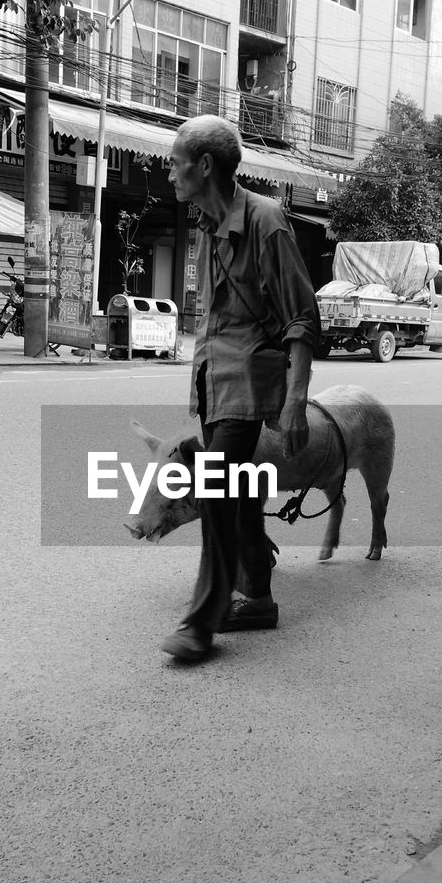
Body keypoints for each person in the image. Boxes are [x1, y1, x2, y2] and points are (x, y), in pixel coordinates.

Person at [160, 115, 320, 663]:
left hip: (250, 384)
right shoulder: (207, 227)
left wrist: (295, 402)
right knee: (240, 493)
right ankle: (260, 596)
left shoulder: (267, 221)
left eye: (176, 163)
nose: (170, 173)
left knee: (213, 488)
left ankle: (201, 623)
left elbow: (301, 317)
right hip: (212, 381)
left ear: (204, 166)